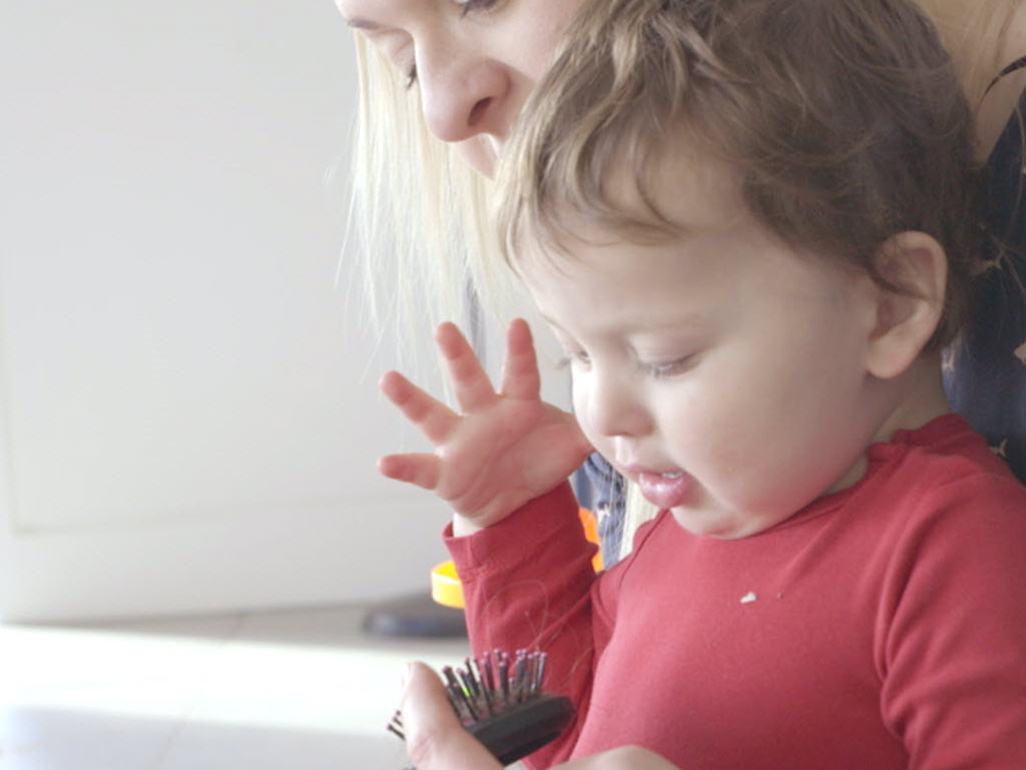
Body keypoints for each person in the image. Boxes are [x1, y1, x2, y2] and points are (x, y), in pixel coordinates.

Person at [375, 0, 1026, 767]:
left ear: (890, 305)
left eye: (664, 358)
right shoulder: (681, 527)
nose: (602, 413)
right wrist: (510, 522)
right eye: (576, 357)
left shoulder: (949, 547)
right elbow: (564, 735)